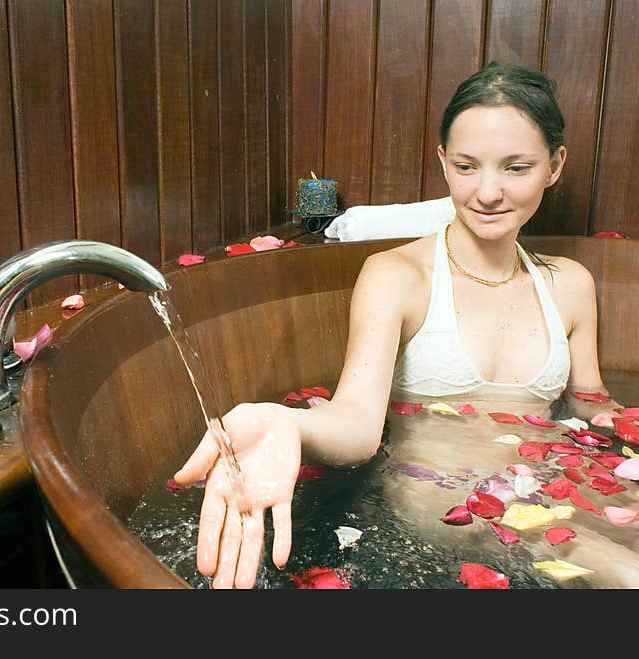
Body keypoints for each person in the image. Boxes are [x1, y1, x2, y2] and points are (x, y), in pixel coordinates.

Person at [173, 61, 633, 589]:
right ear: (442, 162)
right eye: (466, 166)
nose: (487, 192)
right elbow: (356, 424)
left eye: (515, 167)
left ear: (554, 165)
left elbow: (593, 404)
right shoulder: (398, 276)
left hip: (553, 476)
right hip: (441, 491)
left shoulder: (570, 284)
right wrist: (287, 421)